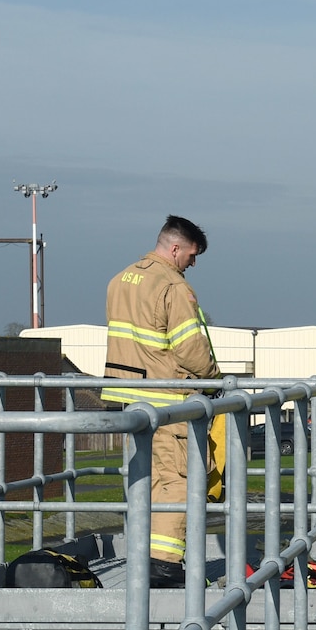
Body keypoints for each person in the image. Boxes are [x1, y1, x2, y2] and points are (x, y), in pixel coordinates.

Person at [101, 214, 219, 588]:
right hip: (166, 399)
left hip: (130, 400)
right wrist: (215, 381)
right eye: (192, 255)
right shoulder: (172, 286)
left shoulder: (121, 279)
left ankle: (143, 556)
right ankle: (165, 563)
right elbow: (190, 351)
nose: (193, 264)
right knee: (178, 480)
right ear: (174, 248)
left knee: (145, 480)